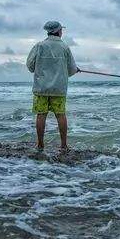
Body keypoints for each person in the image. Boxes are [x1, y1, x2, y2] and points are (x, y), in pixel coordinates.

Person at [26, 21, 79, 151]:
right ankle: (64, 145)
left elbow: (30, 66)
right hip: (59, 89)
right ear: (59, 31)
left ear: (48, 31)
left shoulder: (39, 46)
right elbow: (71, 70)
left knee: (41, 115)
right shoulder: (65, 47)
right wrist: (75, 70)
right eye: (61, 30)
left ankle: (40, 144)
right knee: (61, 115)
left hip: (41, 88)